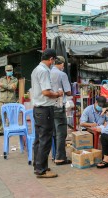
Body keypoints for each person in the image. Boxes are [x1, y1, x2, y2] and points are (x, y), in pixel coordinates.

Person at [31, 49, 63, 178]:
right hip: (45, 109)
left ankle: (38, 166)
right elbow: (46, 92)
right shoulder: (44, 71)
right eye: (54, 60)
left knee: (39, 139)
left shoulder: (36, 69)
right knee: (45, 140)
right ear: (51, 59)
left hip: (38, 108)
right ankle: (41, 169)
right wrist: (57, 94)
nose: (53, 63)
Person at [50, 56, 72, 165]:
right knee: (61, 132)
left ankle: (54, 155)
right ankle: (60, 158)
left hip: (49, 106)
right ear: (62, 64)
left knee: (54, 132)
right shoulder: (62, 74)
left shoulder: (48, 72)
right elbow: (68, 92)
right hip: (58, 105)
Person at [0, 65, 18, 137]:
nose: (9, 72)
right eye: (8, 71)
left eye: (10, 70)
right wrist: (8, 86)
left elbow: (13, 88)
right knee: (1, 116)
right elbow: (0, 89)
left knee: (11, 116)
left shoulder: (15, 79)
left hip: (11, 100)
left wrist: (3, 85)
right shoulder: (2, 79)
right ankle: (0, 131)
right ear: (5, 71)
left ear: (12, 70)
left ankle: (10, 130)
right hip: (3, 100)